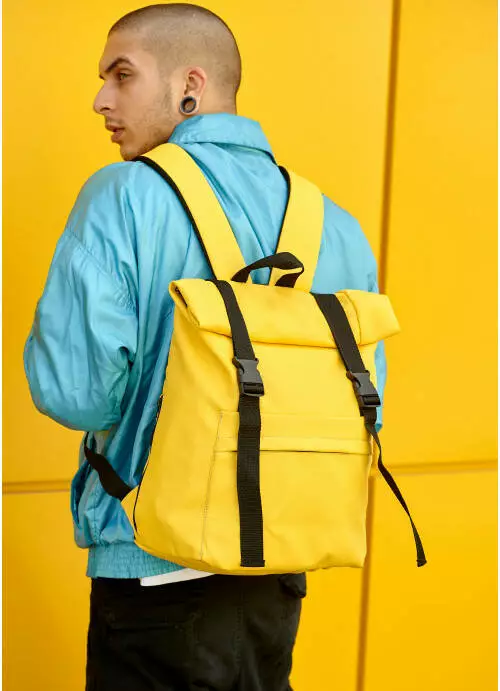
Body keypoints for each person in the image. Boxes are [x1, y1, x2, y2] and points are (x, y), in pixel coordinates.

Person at [24, 3, 386, 690]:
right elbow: (366, 403)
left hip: (154, 568)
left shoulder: (123, 195)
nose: (101, 100)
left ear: (190, 84)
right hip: (278, 571)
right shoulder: (333, 222)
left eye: (121, 75)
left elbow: (76, 394)